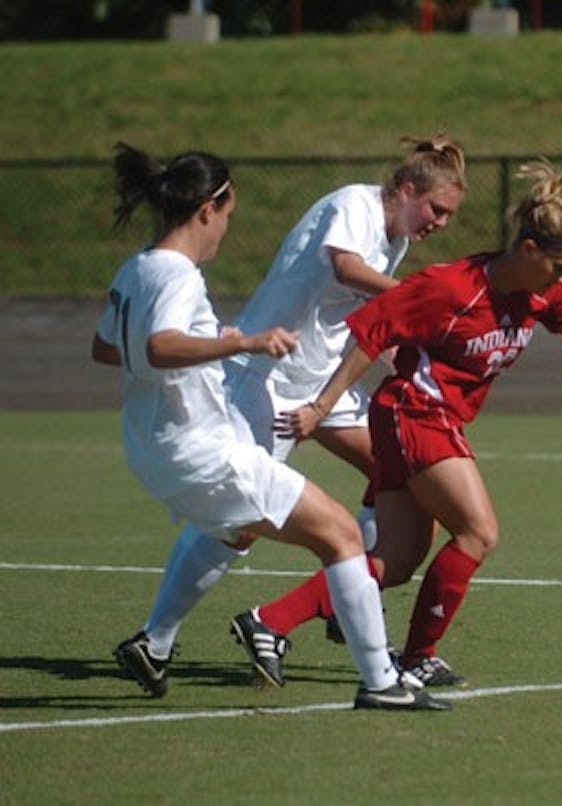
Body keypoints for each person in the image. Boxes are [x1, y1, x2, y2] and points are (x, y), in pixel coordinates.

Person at [241, 159, 562, 687]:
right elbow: (371, 333)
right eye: (560, 268)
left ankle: (269, 622)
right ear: (529, 250)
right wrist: (321, 408)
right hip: (413, 411)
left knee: (396, 559)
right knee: (478, 532)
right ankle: (419, 655)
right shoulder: (450, 288)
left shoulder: (540, 293)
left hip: (427, 417)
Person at [93, 142, 448, 710]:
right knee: (341, 537)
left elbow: (109, 349)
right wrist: (241, 340)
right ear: (208, 208)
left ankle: (157, 643)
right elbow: (160, 346)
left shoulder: (135, 268)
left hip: (166, 443)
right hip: (230, 421)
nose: (226, 231)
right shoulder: (180, 275)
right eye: (229, 215)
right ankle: (379, 677)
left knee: (245, 527)